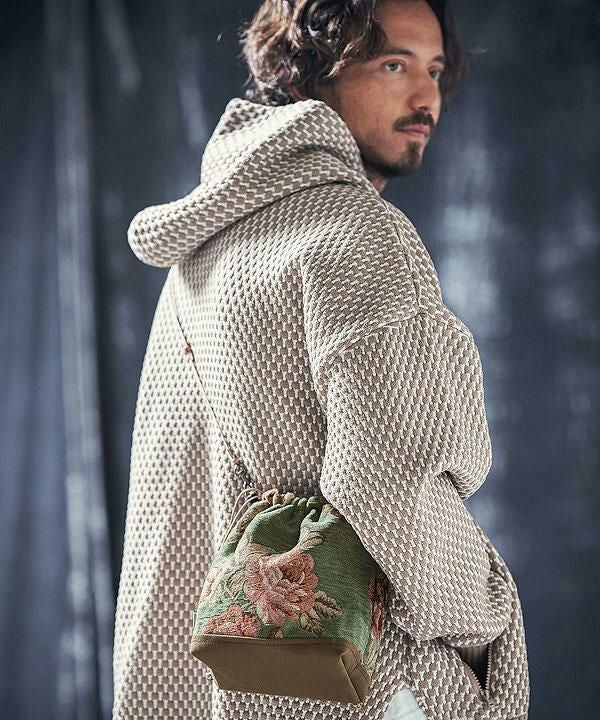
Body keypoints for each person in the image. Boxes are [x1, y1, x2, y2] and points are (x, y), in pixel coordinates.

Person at [112, 1, 530, 719]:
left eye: (434, 71)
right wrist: (487, 616)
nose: (426, 96)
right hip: (366, 685)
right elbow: (390, 487)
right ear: (307, 73)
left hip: (209, 680)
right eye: (393, 64)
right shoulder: (360, 236)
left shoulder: (206, 243)